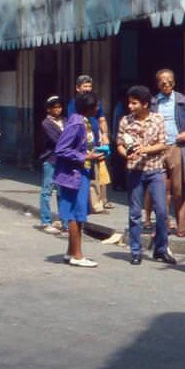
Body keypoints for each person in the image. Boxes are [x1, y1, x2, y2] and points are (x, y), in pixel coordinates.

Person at [116, 84, 177, 267]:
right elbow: (119, 143)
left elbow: (163, 144)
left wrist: (145, 149)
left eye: (134, 103)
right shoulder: (125, 121)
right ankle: (135, 251)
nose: (130, 106)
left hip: (155, 169)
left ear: (144, 104)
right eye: (129, 103)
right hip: (135, 171)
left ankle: (160, 249)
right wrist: (126, 153)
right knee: (135, 213)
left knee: (161, 211)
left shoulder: (157, 119)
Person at [53, 92, 102, 267]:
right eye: (96, 106)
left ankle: (70, 251)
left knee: (78, 213)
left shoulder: (85, 122)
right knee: (76, 214)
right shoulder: (75, 123)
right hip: (73, 174)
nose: (98, 108)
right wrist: (84, 156)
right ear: (88, 107)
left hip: (82, 172)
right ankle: (78, 255)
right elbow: (61, 149)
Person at [153, 69, 185, 235]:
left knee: (179, 189)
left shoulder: (184, 101)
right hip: (159, 148)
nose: (166, 84)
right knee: (161, 188)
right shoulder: (154, 102)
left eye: (169, 81)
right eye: (162, 81)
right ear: (158, 84)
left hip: (177, 146)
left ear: (174, 83)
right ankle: (163, 225)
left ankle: (182, 227)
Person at [68, 75, 111, 211]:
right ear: (77, 88)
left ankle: (98, 201)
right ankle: (83, 204)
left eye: (89, 86)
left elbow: (102, 119)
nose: (87, 89)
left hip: (95, 143)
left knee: (99, 173)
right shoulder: (73, 104)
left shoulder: (95, 102)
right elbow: (72, 125)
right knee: (84, 172)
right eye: (84, 86)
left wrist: (105, 135)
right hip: (82, 146)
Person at [38, 96, 65, 232]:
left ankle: (64, 220)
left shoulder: (65, 120)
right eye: (55, 107)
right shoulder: (46, 123)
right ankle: (46, 221)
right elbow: (58, 140)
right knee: (47, 190)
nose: (58, 109)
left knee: (62, 191)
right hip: (51, 159)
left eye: (59, 107)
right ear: (49, 109)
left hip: (63, 160)